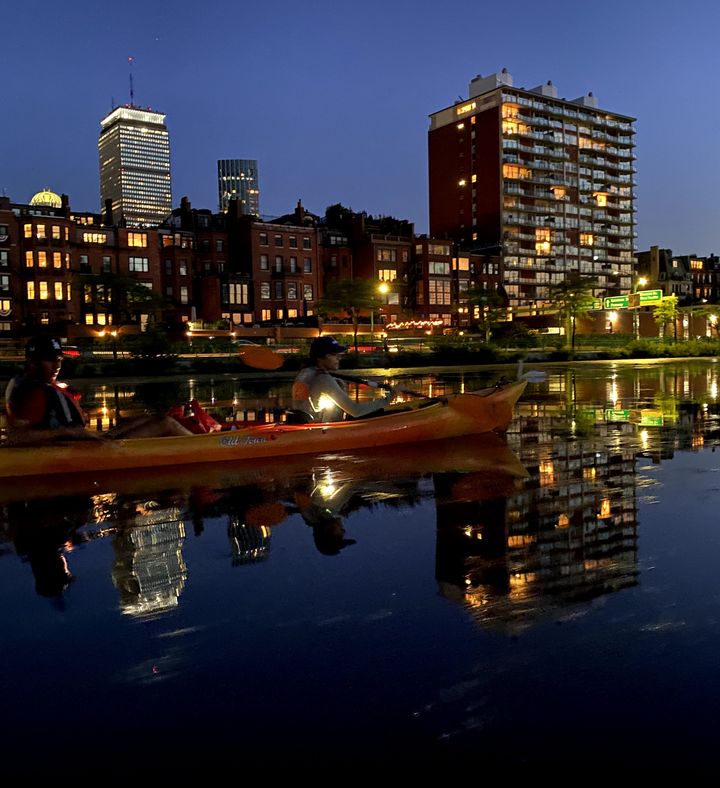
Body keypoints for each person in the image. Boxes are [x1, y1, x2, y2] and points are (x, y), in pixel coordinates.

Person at [4, 335, 192, 445]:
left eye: (59, 359)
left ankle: (195, 440)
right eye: (49, 360)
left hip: (82, 440)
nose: (56, 365)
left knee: (157, 417)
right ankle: (208, 447)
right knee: (166, 423)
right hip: (76, 448)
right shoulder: (33, 393)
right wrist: (67, 433)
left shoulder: (33, 383)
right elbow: (16, 436)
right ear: (32, 362)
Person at [290, 336, 399, 423]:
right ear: (320, 358)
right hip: (318, 429)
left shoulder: (305, 372)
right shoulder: (323, 378)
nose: (339, 358)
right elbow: (355, 410)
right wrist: (389, 398)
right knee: (381, 412)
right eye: (334, 355)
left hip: (303, 422)